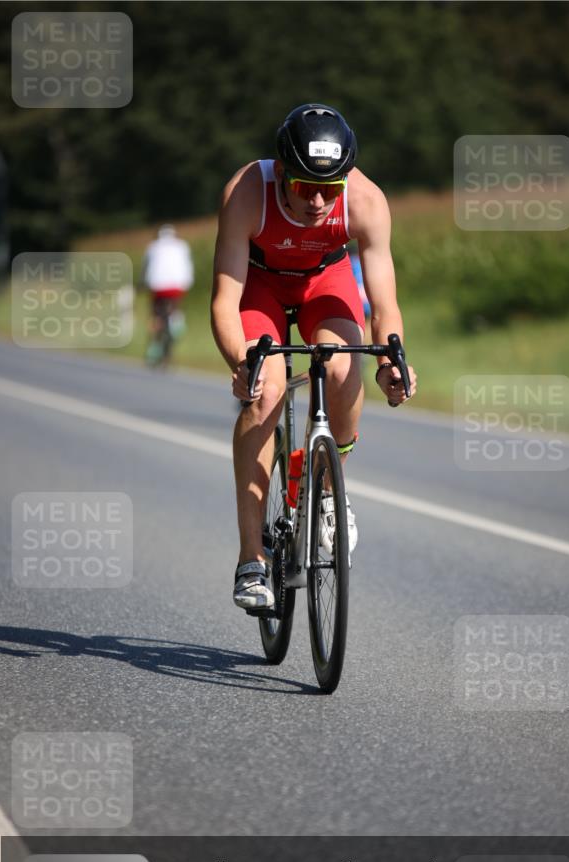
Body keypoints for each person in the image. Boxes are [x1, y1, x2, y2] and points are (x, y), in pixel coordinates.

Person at [211, 103, 417, 610]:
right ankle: (251, 559)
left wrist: (393, 362)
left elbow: (384, 305)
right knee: (267, 393)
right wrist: (242, 361)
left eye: (332, 189)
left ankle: (327, 484)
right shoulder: (246, 192)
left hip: (324, 283)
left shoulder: (366, 200)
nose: (320, 202)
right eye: (306, 187)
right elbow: (223, 298)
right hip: (257, 285)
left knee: (344, 363)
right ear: (282, 173)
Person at [141, 224, 194, 364]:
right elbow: (187, 267)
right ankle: (176, 322)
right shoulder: (182, 246)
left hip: (157, 286)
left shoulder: (152, 246)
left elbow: (145, 268)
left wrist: (142, 284)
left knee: (156, 315)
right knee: (174, 310)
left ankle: (153, 348)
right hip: (177, 287)